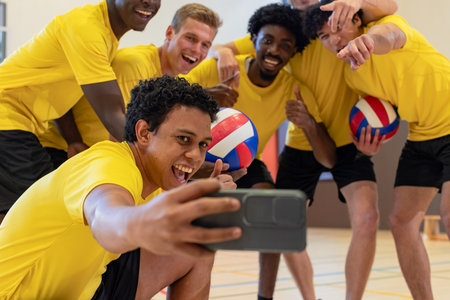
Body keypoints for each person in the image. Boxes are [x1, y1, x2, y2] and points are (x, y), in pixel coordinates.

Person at [210, 1, 398, 299]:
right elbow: (223, 46)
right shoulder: (290, 30)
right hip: (302, 140)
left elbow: (391, 8)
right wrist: (222, 53)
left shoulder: (346, 17)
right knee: (280, 222)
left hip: (351, 139)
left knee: (368, 218)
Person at [0, 75, 242, 299]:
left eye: (202, 145)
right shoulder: (108, 163)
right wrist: (141, 224)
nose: (195, 155)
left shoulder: (152, 179)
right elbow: (107, 215)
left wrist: (203, 196)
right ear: (144, 133)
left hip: (85, 290)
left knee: (196, 249)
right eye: (183, 139)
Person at [186, 4, 337, 300]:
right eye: (267, 40)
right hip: (197, 162)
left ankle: (264, 297)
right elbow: (166, 107)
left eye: (285, 45)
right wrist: (205, 97)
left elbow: (328, 160)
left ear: (293, 52)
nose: (274, 50)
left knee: (275, 216)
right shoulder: (220, 69)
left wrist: (307, 123)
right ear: (253, 39)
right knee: (196, 232)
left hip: (245, 164)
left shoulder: (293, 89)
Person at [303, 1, 450, 298]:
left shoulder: (391, 28)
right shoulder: (353, 75)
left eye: (337, 27)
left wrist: (369, 41)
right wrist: (369, 144)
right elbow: (387, 114)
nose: (333, 40)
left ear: (358, 21)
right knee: (401, 221)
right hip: (422, 136)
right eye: (324, 37)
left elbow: (388, 37)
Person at [0, 0, 161, 223]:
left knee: (26, 213)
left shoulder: (106, 36)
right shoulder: (87, 28)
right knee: (40, 213)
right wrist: (162, 156)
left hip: (18, 122)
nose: (150, 2)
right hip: (7, 116)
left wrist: (73, 138)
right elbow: (113, 116)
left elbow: (58, 88)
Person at [38, 3, 237, 169]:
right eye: (190, 38)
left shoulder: (180, 82)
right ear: (170, 33)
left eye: (205, 45)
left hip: (95, 159)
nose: (196, 50)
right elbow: (123, 139)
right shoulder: (135, 65)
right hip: (61, 152)